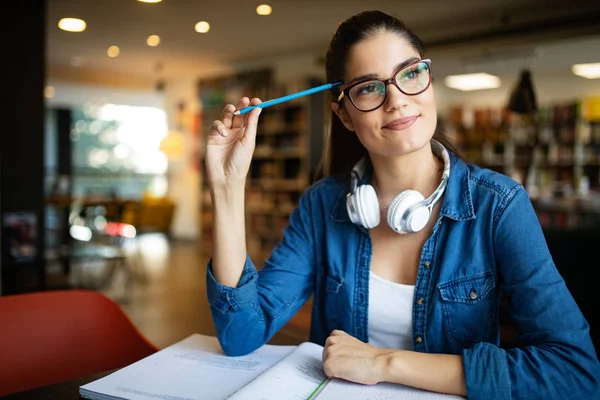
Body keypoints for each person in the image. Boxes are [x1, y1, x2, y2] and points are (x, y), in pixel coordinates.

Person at [204, 10, 600, 400]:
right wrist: (227, 187)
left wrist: (385, 363)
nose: (396, 100)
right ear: (343, 113)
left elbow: (576, 372)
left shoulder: (498, 206)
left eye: (410, 74)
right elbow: (241, 335)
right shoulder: (321, 205)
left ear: (428, 81)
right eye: (369, 87)